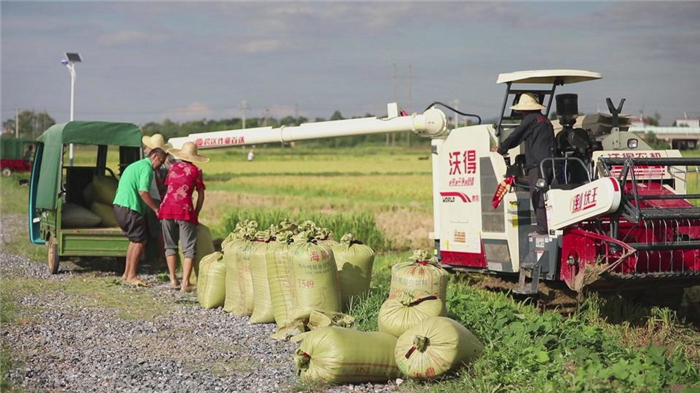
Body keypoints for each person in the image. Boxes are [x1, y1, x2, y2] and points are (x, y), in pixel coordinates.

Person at [496, 93, 556, 235]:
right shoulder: (546, 120)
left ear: (525, 109)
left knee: (537, 195)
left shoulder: (530, 119)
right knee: (549, 196)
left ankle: (542, 229)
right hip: (551, 163)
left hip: (537, 164)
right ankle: (553, 224)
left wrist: (501, 148)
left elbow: (516, 136)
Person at [112, 148, 167, 286]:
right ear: (154, 157)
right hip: (130, 207)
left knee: (135, 240)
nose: (160, 166)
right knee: (140, 241)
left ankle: (126, 274)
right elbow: (143, 192)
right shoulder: (147, 169)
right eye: (160, 162)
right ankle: (132, 275)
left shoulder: (137, 165)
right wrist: (155, 209)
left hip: (120, 206)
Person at [159, 142, 208, 292]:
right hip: (185, 211)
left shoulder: (173, 168)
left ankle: (173, 280)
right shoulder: (196, 170)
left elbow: (169, 188)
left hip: (166, 209)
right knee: (188, 248)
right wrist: (196, 212)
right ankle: (185, 283)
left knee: (170, 246)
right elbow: (200, 195)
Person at [142, 134, 172, 267]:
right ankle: (159, 257)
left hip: (151, 198)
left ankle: (160, 258)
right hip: (156, 197)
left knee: (156, 230)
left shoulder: (150, 163)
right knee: (156, 230)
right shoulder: (164, 164)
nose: (145, 149)